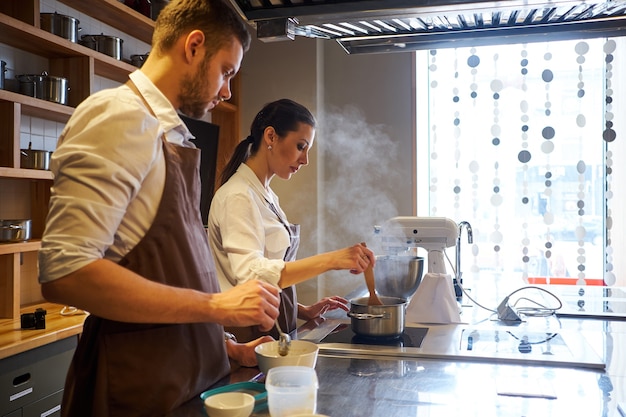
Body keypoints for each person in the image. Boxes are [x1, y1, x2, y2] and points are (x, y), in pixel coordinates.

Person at [37, 1, 280, 415]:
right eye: (226, 71)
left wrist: (222, 347)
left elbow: (163, 271)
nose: (226, 92)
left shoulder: (173, 137)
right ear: (194, 46)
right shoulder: (118, 116)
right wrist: (216, 306)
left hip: (186, 382)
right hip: (137, 391)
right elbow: (65, 272)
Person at [208, 98, 376, 343]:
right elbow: (250, 275)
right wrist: (332, 259)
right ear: (271, 137)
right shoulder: (238, 196)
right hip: (248, 337)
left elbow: (269, 277)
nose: (305, 159)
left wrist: (302, 310)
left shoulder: (267, 196)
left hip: (273, 330)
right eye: (300, 146)